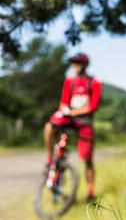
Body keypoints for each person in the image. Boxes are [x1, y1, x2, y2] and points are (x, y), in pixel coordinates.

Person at [43, 53, 102, 203]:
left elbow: (93, 106)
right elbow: (63, 102)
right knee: (49, 127)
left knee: (87, 157)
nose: (75, 65)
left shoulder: (94, 83)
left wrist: (74, 111)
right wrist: (66, 111)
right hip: (68, 118)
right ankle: (51, 161)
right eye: (73, 63)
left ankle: (90, 191)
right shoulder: (70, 82)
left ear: (85, 65)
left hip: (84, 122)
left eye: (78, 63)